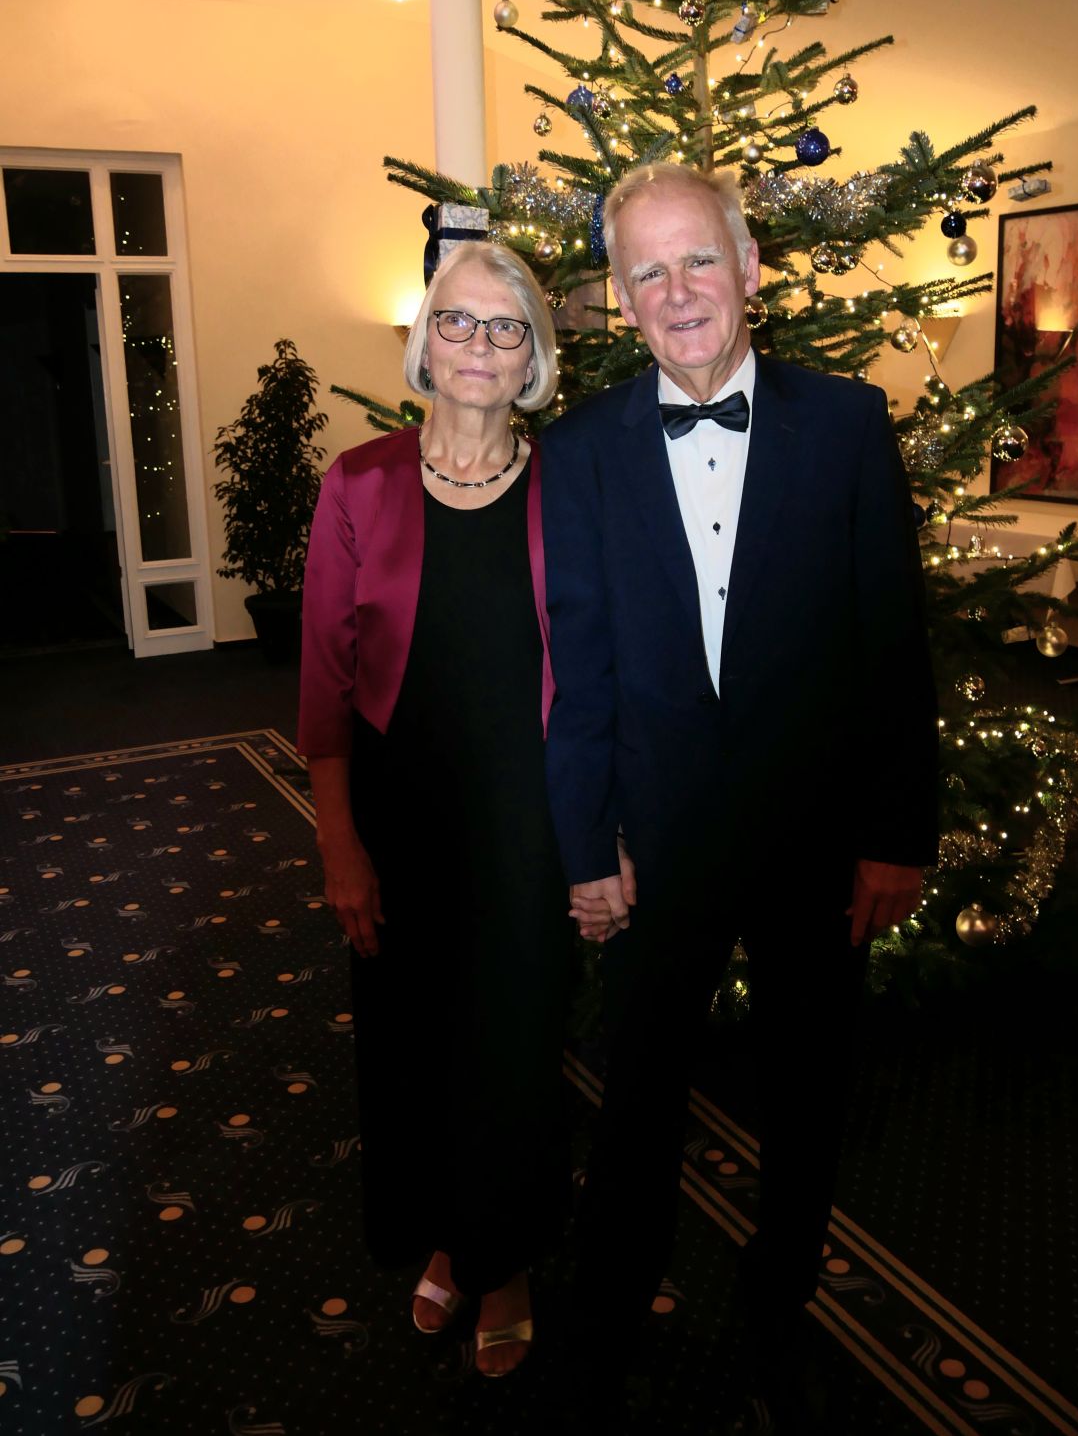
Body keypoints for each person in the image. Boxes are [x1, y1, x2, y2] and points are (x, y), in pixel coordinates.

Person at [540, 163, 939, 1429]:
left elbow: (891, 643)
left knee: (808, 1098)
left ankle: (779, 1316)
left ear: (750, 266)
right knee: (635, 1103)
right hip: (654, 849)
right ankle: (607, 1327)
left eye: (698, 258)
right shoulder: (582, 449)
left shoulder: (848, 423)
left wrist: (895, 835)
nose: (678, 291)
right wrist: (585, 845)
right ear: (621, 297)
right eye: (647, 271)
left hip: (814, 842)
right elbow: (580, 670)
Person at [298, 240, 571, 1379]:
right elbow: (324, 683)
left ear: (534, 359)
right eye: (457, 321)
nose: (478, 346)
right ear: (423, 343)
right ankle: (450, 1239)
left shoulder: (571, 485)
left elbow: (606, 671)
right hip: (400, 819)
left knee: (513, 1045)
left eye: (506, 328)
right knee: (413, 1042)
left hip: (528, 822)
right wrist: (340, 840)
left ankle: (504, 1259)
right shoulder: (358, 483)